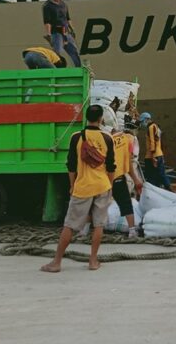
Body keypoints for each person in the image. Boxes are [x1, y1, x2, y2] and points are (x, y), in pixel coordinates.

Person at [41, 105, 116, 272]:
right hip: (102, 185)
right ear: (101, 119)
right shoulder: (107, 138)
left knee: (69, 225)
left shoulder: (76, 137)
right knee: (98, 225)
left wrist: (72, 185)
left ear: (86, 117)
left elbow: (71, 165)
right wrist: (109, 186)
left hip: (82, 187)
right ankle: (93, 261)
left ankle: (57, 262)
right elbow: (111, 167)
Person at [111, 126, 145, 238]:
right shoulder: (129, 140)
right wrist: (136, 180)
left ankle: (84, 231)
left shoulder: (106, 139)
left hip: (102, 179)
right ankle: (132, 231)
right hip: (117, 178)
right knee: (126, 204)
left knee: (96, 205)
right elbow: (129, 164)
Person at [42, 0, 82, 67]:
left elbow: (67, 18)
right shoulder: (47, 6)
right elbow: (47, 21)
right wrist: (48, 33)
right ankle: (57, 70)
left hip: (66, 31)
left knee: (74, 51)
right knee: (57, 53)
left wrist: (72, 29)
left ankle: (79, 68)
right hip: (56, 32)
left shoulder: (63, 4)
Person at [139, 112, 172, 191]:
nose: (142, 123)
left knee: (153, 176)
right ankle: (159, 190)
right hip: (157, 154)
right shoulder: (156, 127)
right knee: (158, 175)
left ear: (147, 119)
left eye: (143, 121)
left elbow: (153, 142)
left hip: (153, 155)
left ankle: (170, 189)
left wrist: (153, 157)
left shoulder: (151, 127)